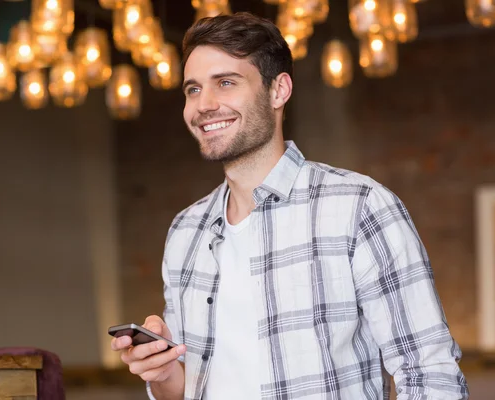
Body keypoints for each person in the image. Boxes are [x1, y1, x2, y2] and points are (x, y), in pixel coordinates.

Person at [111, 12, 469, 400]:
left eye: (226, 82)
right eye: (193, 89)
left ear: (279, 90)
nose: (204, 105)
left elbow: (430, 375)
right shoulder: (186, 230)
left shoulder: (359, 207)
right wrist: (162, 373)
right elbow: (188, 388)